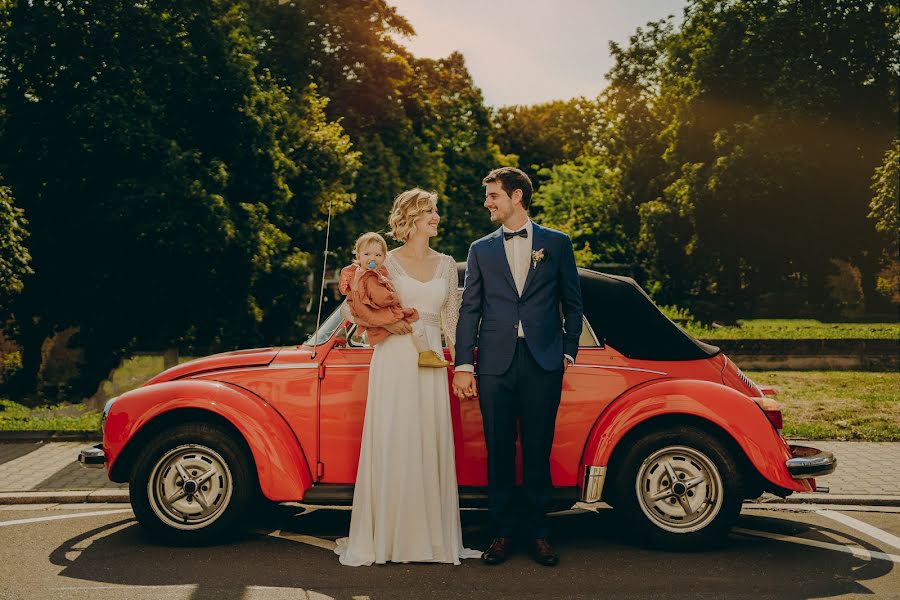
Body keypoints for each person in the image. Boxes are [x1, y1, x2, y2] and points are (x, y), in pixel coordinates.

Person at [335, 188, 481, 566]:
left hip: (431, 359)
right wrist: (386, 321)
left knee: (427, 438)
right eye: (430, 211)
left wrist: (461, 364)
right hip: (395, 358)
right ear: (412, 217)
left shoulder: (448, 264)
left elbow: (452, 321)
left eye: (435, 211)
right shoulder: (386, 263)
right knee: (396, 437)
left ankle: (432, 540)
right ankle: (389, 538)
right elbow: (354, 310)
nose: (436, 217)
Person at [452, 167, 583, 567]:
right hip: (494, 361)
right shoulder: (481, 249)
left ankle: (540, 533)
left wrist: (569, 350)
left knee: (539, 449)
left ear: (517, 197)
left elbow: (573, 302)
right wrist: (463, 363)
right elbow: (470, 308)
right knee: (499, 450)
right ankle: (502, 533)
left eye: (493, 195)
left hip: (544, 360)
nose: (487, 202)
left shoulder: (557, 244)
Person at [339, 231, 449, 367]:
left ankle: (425, 353)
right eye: (367, 254)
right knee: (415, 318)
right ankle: (425, 353)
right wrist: (391, 297)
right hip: (380, 315)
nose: (372, 258)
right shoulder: (369, 278)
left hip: (375, 314)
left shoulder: (366, 275)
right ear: (358, 256)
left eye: (378, 255)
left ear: (384, 257)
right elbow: (380, 299)